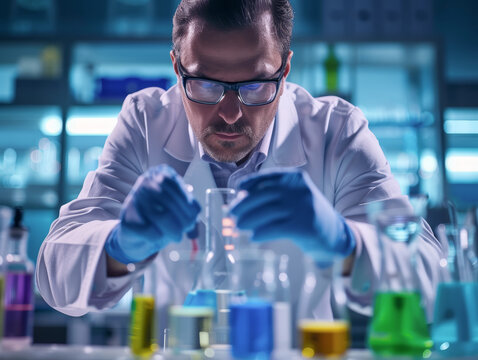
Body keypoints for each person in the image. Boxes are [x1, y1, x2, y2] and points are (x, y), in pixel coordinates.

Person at [36, 0, 442, 342]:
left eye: (254, 86)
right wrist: (119, 244)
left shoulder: (337, 131)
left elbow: (431, 285)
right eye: (206, 84)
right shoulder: (145, 122)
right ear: (177, 68)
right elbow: (54, 277)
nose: (230, 114)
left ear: (284, 71)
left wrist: (345, 242)